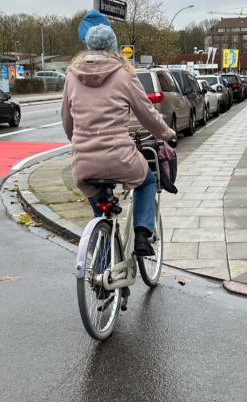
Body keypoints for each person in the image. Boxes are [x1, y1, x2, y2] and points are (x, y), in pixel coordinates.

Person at [61, 12, 176, 256]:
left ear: (88, 48)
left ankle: (101, 277)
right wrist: (167, 133)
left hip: (83, 165)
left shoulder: (71, 76)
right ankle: (142, 235)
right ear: (114, 48)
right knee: (146, 182)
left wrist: (80, 143)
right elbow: (147, 115)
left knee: (99, 213)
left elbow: (67, 122)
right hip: (120, 159)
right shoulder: (124, 75)